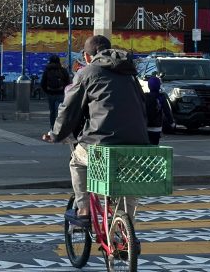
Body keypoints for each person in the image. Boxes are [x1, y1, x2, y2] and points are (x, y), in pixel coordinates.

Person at [42, 35, 149, 227]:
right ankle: (126, 229)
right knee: (128, 182)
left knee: (77, 161)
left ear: (87, 56)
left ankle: (83, 208)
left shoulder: (87, 73)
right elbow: (142, 105)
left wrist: (56, 134)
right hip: (137, 142)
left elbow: (68, 110)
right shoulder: (129, 73)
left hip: (101, 143)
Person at [41, 54, 70, 129]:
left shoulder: (47, 70)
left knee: (52, 111)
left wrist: (47, 91)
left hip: (50, 94)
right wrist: (64, 90)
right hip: (60, 93)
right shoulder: (62, 70)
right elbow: (67, 82)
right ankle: (60, 127)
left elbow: (43, 83)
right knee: (60, 111)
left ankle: (52, 127)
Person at [145, 75, 174, 144]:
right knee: (155, 144)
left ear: (149, 86)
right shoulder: (161, 97)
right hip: (157, 127)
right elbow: (167, 111)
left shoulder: (145, 97)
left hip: (146, 126)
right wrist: (171, 123)